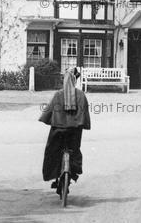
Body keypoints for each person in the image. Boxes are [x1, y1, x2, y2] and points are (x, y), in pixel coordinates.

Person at [39, 67, 91, 195]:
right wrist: (84, 125)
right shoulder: (81, 95)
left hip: (59, 130)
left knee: (52, 151)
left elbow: (48, 112)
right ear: (75, 81)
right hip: (75, 131)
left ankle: (55, 175)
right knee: (75, 150)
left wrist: (47, 120)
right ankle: (72, 173)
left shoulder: (58, 94)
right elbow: (85, 113)